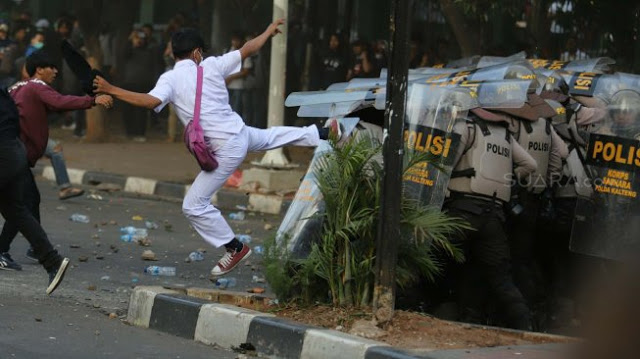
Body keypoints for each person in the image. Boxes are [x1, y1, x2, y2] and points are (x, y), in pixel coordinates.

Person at [93, 19, 342, 278]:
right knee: (270, 138)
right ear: (197, 52)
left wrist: (112, 89)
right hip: (239, 133)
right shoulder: (212, 65)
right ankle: (324, 133)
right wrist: (267, 31)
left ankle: (235, 248)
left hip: (226, 148)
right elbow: (248, 49)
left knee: (193, 204)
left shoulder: (171, 78)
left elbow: (149, 101)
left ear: (174, 52)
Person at [0, 50, 112, 268]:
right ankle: (8, 249)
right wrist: (93, 100)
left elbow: (45, 109)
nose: (55, 71)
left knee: (27, 202)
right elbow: (60, 101)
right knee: (20, 206)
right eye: (51, 67)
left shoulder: (17, 88)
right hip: (16, 157)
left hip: (11, 155)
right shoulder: (36, 86)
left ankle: (36, 249)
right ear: (39, 70)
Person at [445, 107, 537, 330]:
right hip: (494, 217)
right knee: (499, 278)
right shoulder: (506, 136)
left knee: (439, 264)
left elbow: (445, 163)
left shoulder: (466, 127)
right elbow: (531, 165)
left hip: (462, 211)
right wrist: (506, 178)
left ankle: (427, 313)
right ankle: (528, 328)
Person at [0, 88, 69, 295]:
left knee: (17, 210)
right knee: (16, 211)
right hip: (14, 152)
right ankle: (53, 261)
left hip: (3, 154)